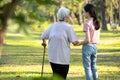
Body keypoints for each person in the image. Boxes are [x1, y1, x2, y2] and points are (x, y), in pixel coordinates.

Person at [41, 7, 78, 80]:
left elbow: (43, 35)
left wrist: (44, 42)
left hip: (52, 58)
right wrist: (85, 42)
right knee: (62, 77)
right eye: (68, 15)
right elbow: (74, 42)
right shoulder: (68, 27)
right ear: (65, 17)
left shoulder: (53, 25)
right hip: (62, 59)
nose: (69, 17)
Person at [76, 4, 100, 80]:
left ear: (88, 13)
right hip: (95, 47)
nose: (83, 14)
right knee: (93, 66)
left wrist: (79, 43)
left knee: (87, 67)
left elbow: (87, 40)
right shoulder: (96, 22)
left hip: (88, 47)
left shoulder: (87, 24)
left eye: (84, 12)